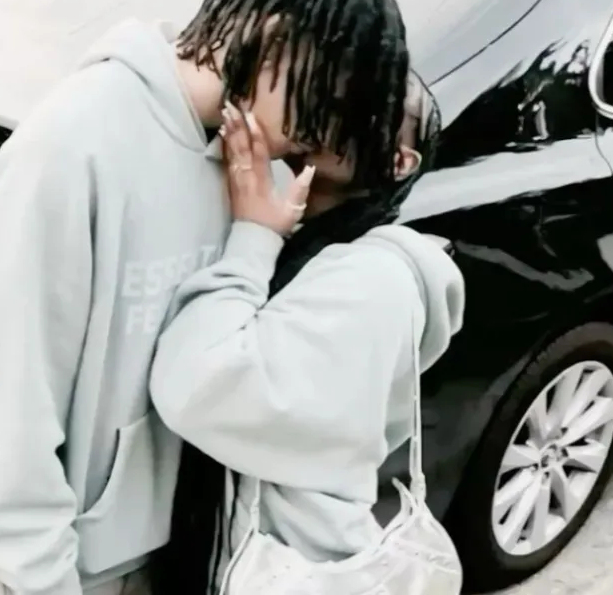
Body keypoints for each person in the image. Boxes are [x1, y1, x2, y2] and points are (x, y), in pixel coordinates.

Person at [0, 0, 411, 595]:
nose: (320, 136)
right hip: (67, 572)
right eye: (325, 102)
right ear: (274, 41)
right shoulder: (76, 143)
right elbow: (1, 401)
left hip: (180, 557)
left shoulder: (254, 170)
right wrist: (40, 578)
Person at [151, 73, 464, 594]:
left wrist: (252, 237)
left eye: (362, 103)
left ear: (398, 161)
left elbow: (197, 387)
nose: (327, 104)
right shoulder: (301, 241)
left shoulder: (373, 280)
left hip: (291, 566)